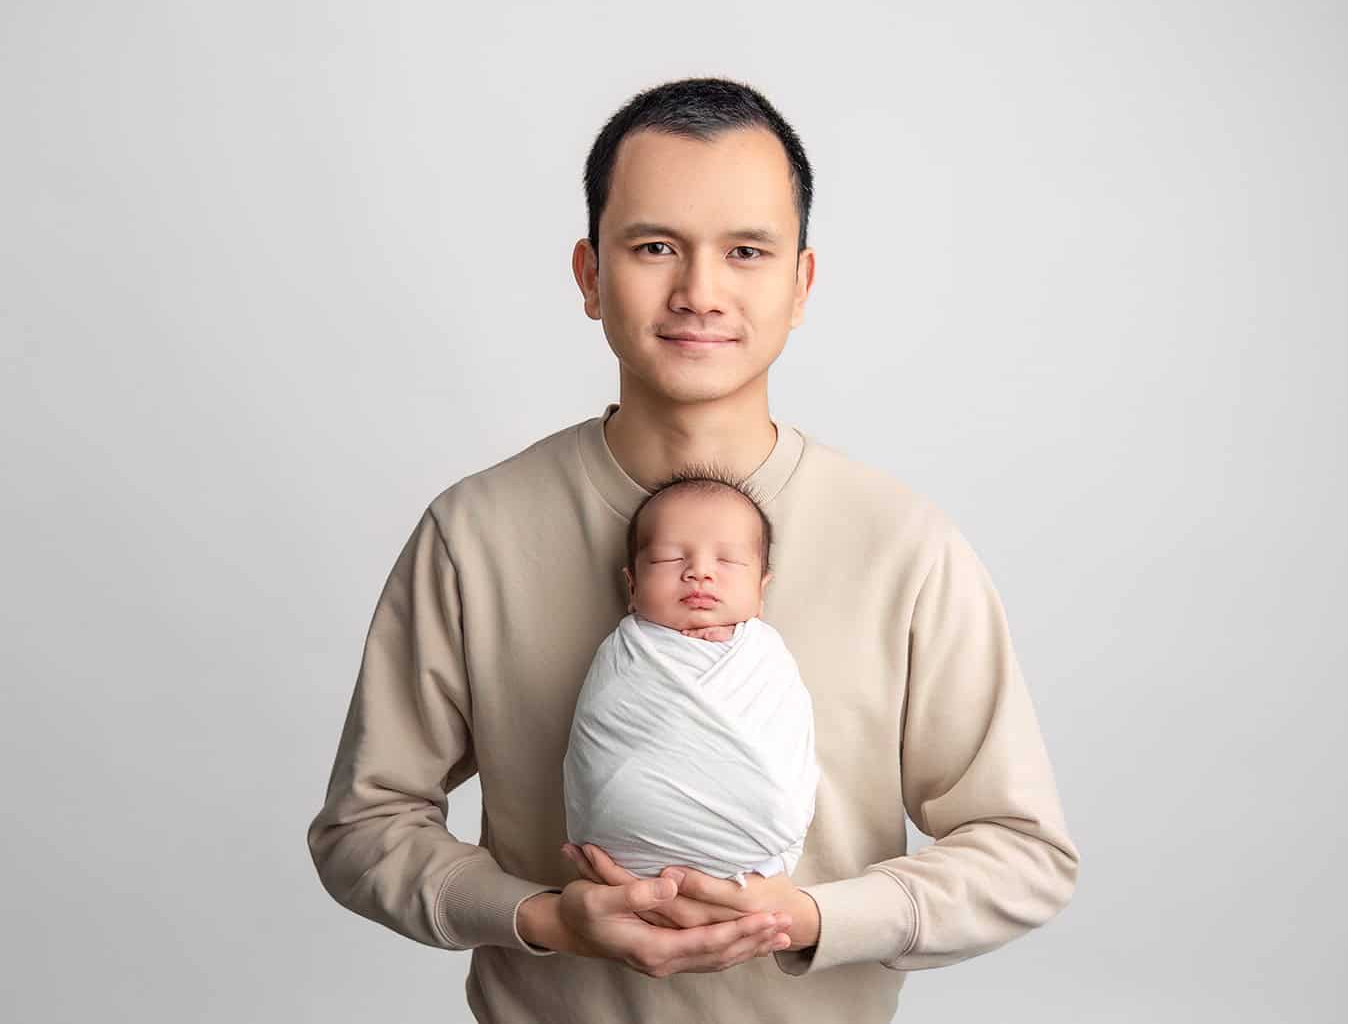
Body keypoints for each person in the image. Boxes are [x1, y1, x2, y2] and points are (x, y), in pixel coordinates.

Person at [307, 76, 1080, 1023]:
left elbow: (1024, 850)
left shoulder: (903, 542)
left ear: (799, 285)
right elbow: (363, 827)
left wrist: (810, 918)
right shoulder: (476, 533)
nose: (699, 291)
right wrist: (540, 918)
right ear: (591, 276)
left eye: (746, 251)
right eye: (655, 246)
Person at [561, 470, 819, 901]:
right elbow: (600, 731)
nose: (699, 573)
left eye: (729, 561)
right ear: (632, 586)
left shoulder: (765, 655)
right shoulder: (624, 651)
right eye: (667, 559)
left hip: (758, 859)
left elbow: (792, 739)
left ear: (761, 591)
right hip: (619, 859)